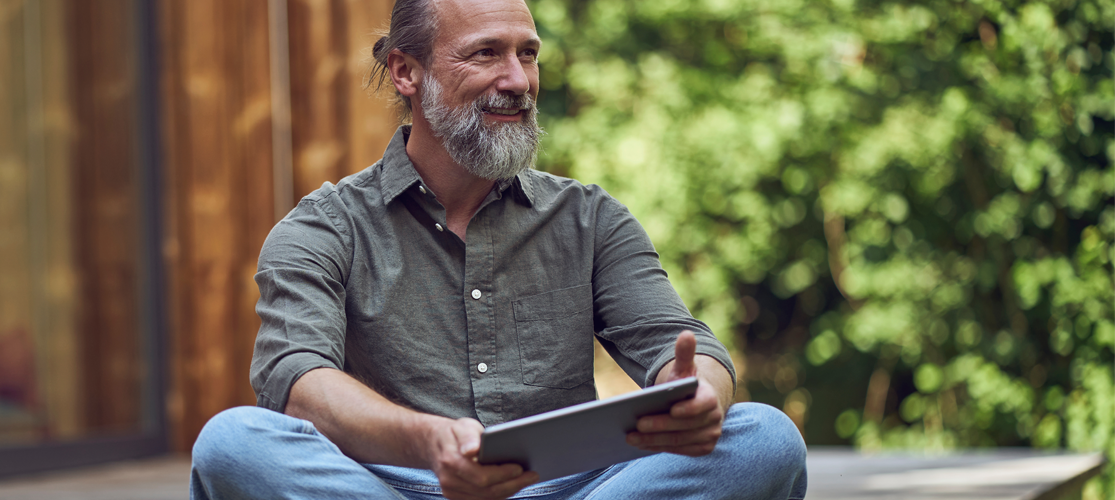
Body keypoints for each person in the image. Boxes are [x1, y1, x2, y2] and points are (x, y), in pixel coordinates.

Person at [189, 0, 808, 498]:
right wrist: (429, 443)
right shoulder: (324, 227)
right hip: (393, 486)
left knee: (765, 438)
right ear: (407, 71)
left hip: (576, 488)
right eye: (486, 53)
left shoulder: (590, 217)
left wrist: (698, 391)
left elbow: (686, 345)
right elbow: (298, 380)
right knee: (233, 443)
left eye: (527, 54)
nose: (517, 80)